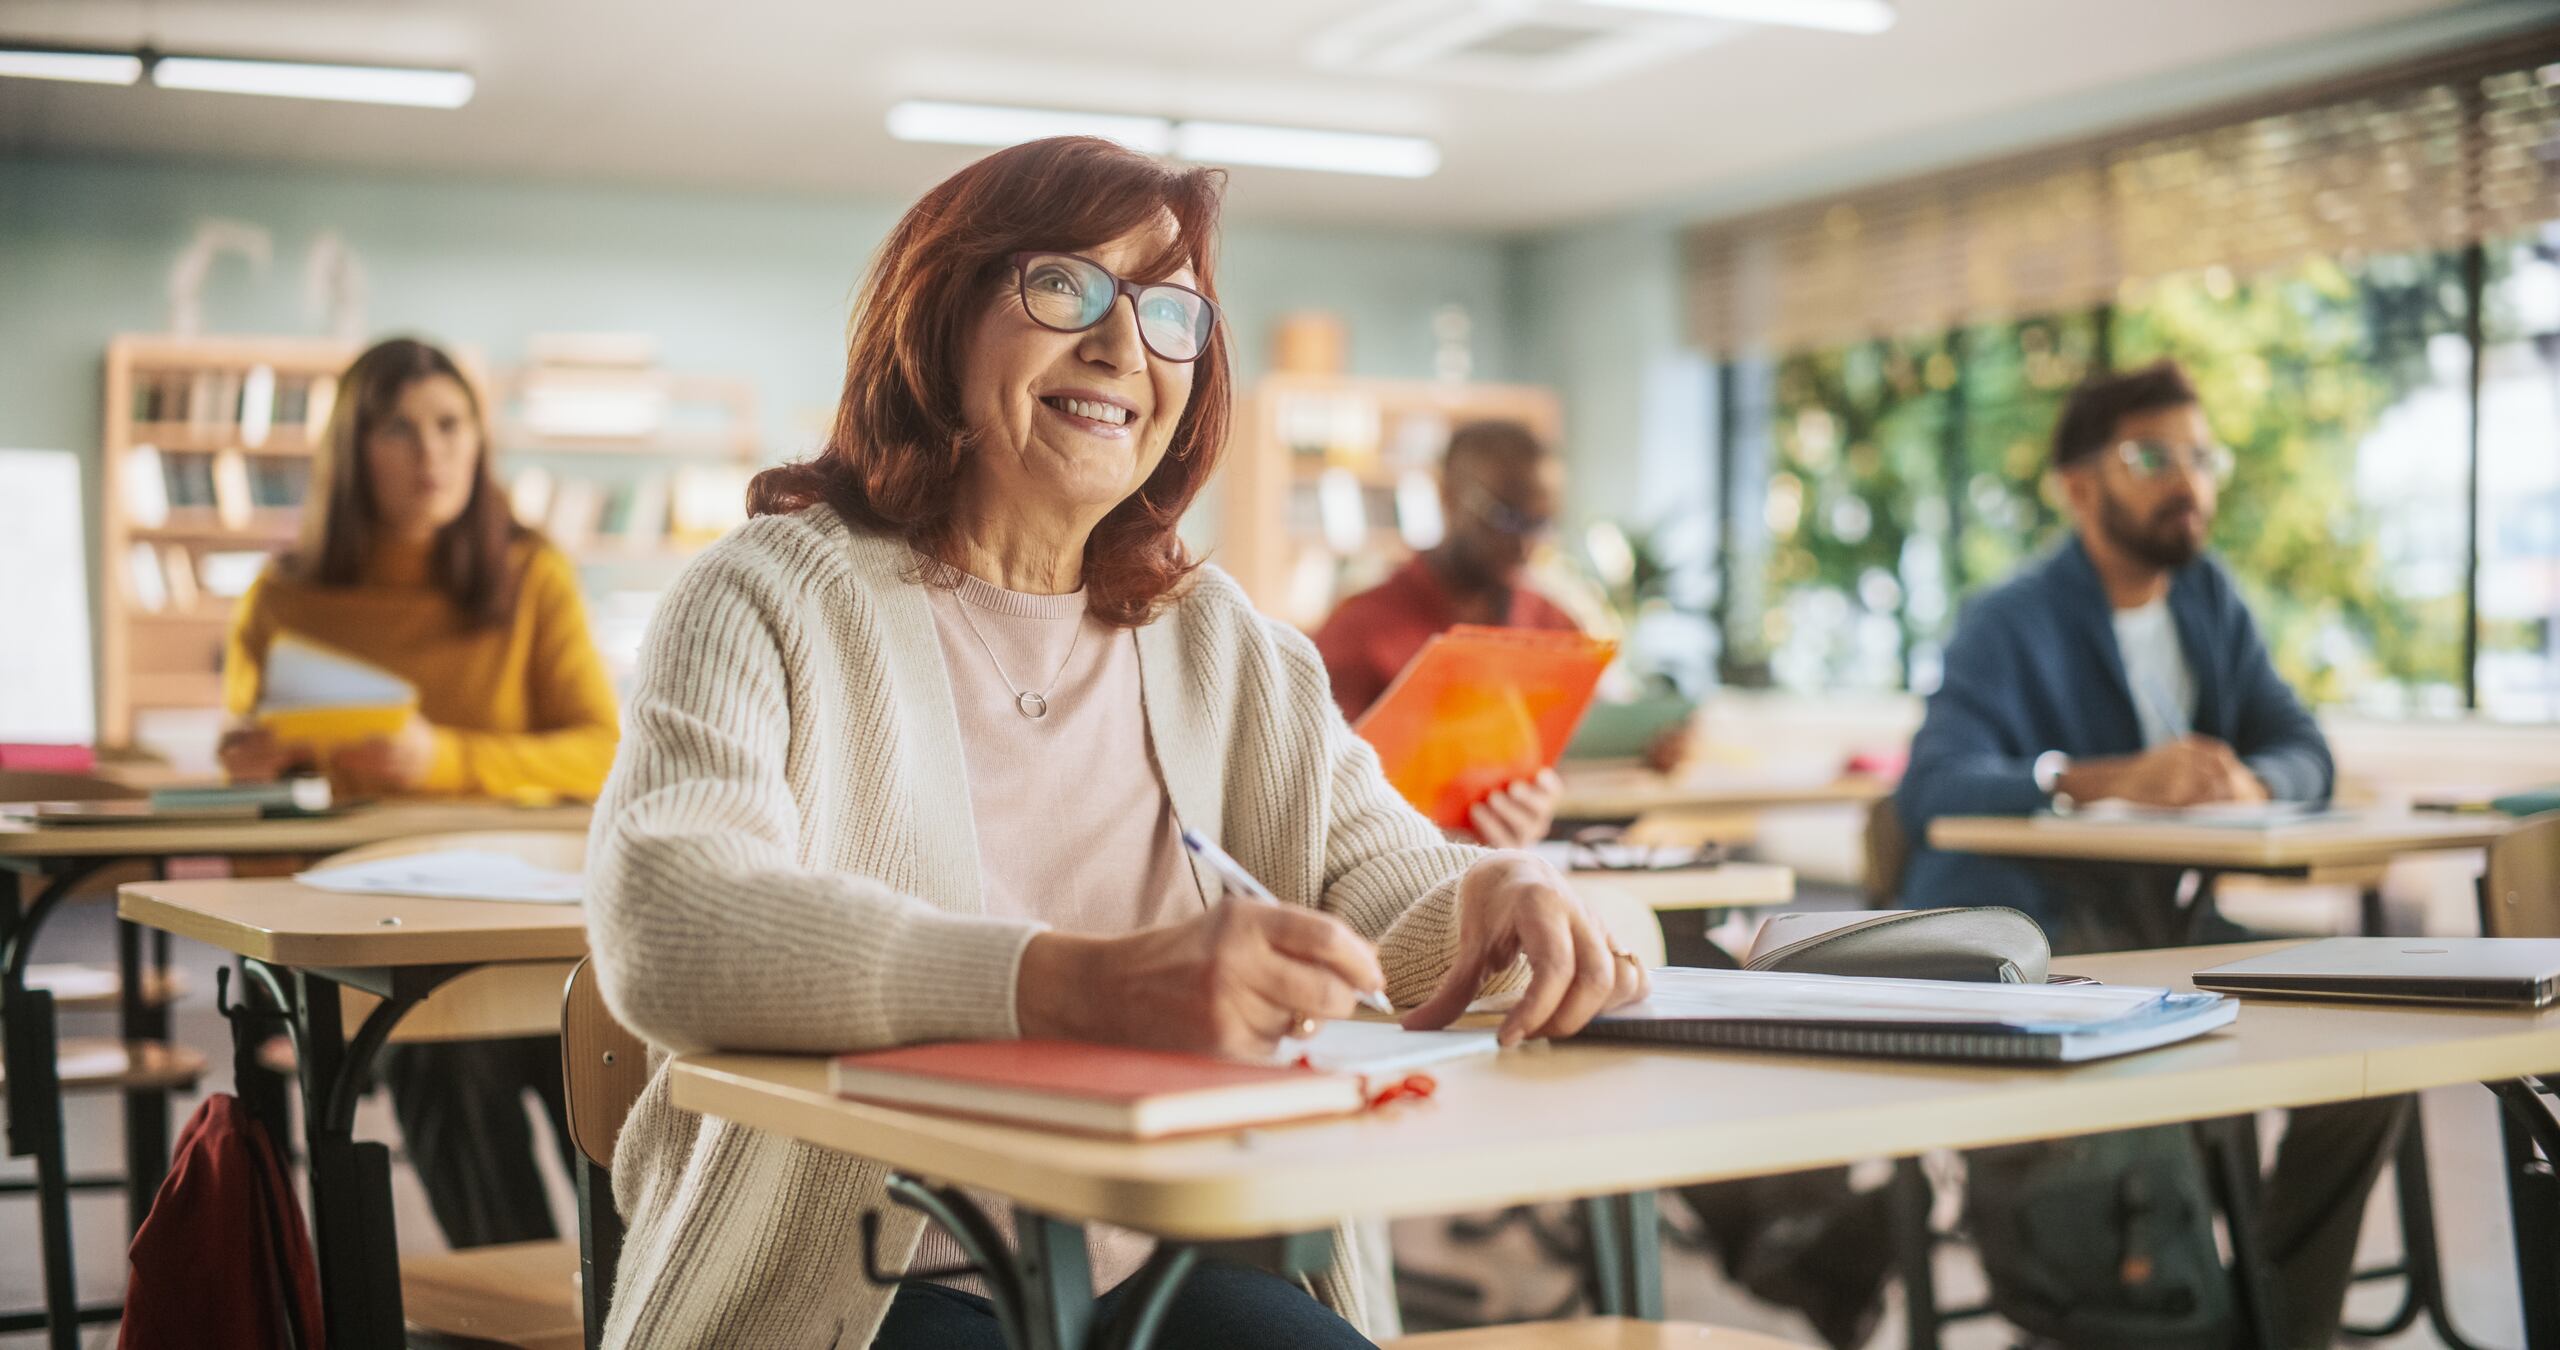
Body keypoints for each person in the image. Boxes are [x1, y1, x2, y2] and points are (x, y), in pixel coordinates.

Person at [585, 135, 1648, 1350]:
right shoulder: (763, 595)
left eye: (1169, 310)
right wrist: (1076, 986)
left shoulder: (1224, 642)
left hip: (1146, 1269)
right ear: (935, 321)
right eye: (1063, 287)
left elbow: (1391, 906)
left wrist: (1502, 890)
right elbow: (665, 926)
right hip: (858, 1280)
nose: (1120, 345)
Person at [1895, 360, 2402, 1347]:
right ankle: (2186, 1316)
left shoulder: (2207, 601)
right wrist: (2099, 777)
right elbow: (1931, 787)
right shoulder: (2012, 617)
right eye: (2150, 457)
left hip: (2156, 924)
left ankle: (2272, 1327)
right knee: (2152, 1064)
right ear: (2078, 486)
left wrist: (2257, 783)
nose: (2188, 480)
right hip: (2028, 924)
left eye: (2200, 456)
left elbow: (2305, 750)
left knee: (2375, 1043)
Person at [219, 336, 621, 1248]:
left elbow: (604, 752)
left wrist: (438, 755)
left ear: (480, 441)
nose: (431, 453)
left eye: (451, 424)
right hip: (387, 925)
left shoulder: (530, 573)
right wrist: (257, 770)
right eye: (398, 430)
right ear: (351, 451)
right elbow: (263, 809)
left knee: (605, 1052)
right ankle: (513, 1308)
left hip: (536, 915)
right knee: (439, 1059)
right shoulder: (282, 599)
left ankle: (637, 1303)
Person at [1312, 421, 1577, 848]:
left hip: (1523, 859)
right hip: (1391, 866)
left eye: (1540, 522)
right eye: (1507, 518)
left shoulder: (1553, 623)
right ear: (1449, 497)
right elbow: (1313, 787)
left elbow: (1580, 748)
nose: (1526, 545)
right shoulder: (1360, 629)